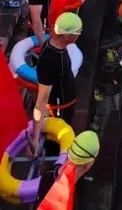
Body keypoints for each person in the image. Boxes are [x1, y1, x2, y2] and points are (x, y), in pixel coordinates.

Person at [30, 12, 83, 140]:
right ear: (66, 35)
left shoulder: (51, 44)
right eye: (78, 32)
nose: (79, 34)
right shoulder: (52, 60)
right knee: (57, 137)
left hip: (66, 102)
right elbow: (41, 101)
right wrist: (35, 138)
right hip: (60, 108)